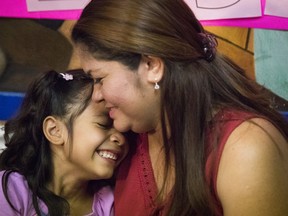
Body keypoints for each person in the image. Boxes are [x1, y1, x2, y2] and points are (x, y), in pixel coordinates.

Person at [71, 0, 288, 215]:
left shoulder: (246, 149)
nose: (96, 95)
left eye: (99, 78)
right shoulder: (127, 138)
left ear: (152, 66)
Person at [0, 69, 129, 216]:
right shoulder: (11, 192)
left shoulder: (109, 204)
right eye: (104, 124)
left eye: (124, 131)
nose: (120, 138)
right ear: (55, 130)